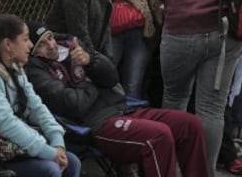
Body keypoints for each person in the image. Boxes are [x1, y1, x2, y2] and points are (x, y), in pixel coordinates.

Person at [25, 21, 209, 177]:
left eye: (49, 37)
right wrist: (88, 82)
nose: (50, 45)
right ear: (32, 51)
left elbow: (112, 77)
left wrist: (90, 61)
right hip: (99, 124)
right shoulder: (36, 71)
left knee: (190, 124)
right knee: (158, 137)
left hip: (124, 108)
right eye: (41, 44)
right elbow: (73, 105)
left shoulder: (72, 44)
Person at [143, 0, 242, 175]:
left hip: (180, 27)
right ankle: (203, 171)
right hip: (225, 31)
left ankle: (170, 168)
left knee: (175, 99)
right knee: (212, 110)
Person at [0, 14, 81, 177]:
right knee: (49, 170)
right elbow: (7, 124)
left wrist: (58, 143)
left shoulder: (14, 70)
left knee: (72, 162)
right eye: (26, 39)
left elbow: (37, 108)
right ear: (8, 44)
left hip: (8, 148)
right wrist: (49, 153)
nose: (30, 45)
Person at [108, 0, 163, 99]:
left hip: (142, 25)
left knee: (134, 80)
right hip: (114, 25)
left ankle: (133, 118)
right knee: (107, 74)